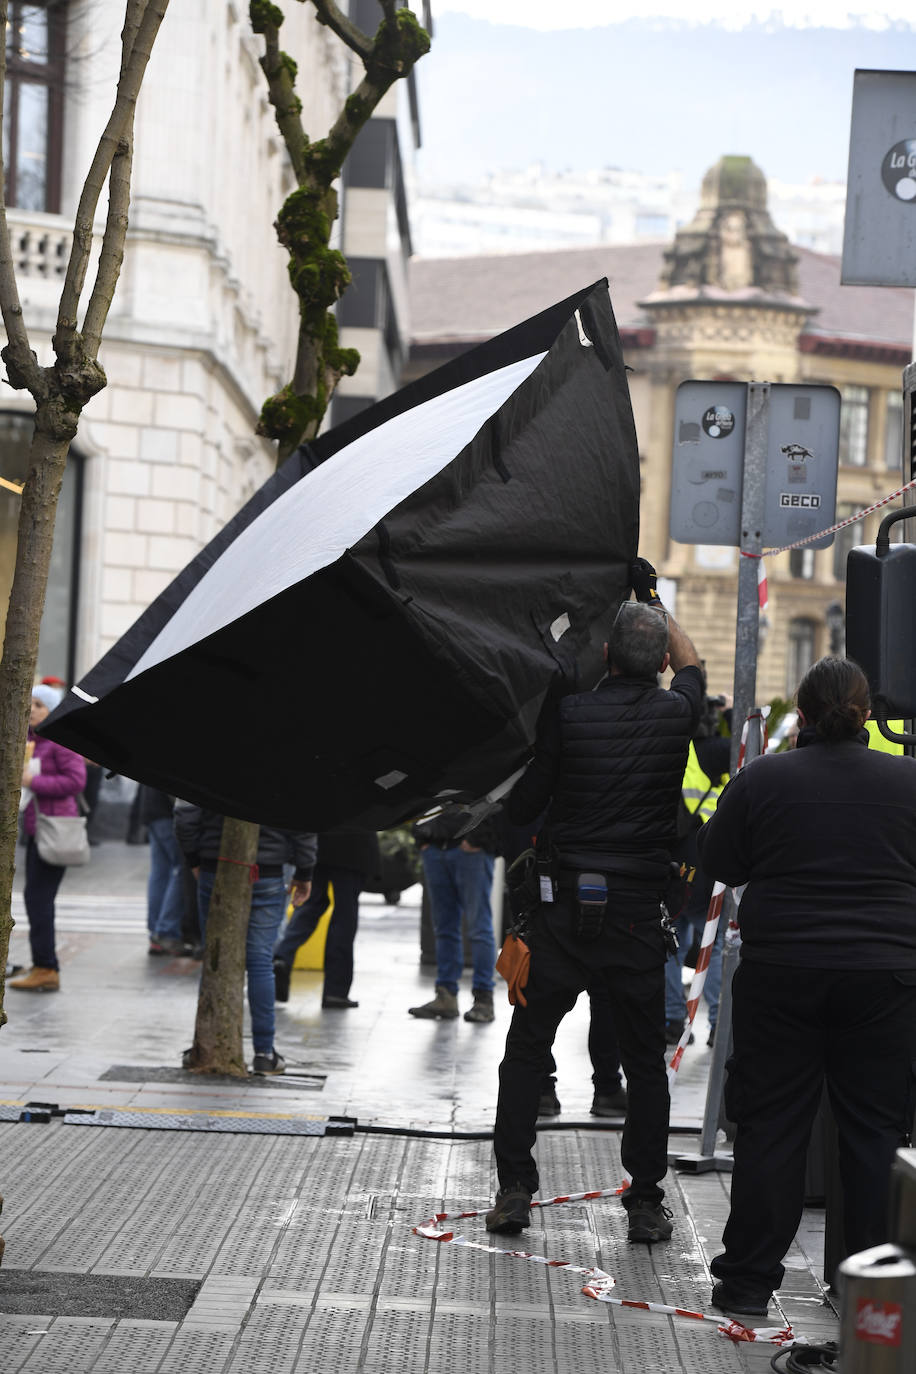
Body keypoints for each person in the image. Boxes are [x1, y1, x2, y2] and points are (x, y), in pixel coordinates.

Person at [486, 562, 703, 1243]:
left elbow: (525, 804)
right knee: (644, 1065)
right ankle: (644, 1202)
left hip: (560, 917)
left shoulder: (571, 714)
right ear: (661, 661)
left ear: (607, 655)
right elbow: (691, 659)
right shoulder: (679, 716)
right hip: (637, 921)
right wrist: (651, 599)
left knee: (526, 1053)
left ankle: (515, 1191)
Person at [696, 656, 916, 1319]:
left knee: (773, 1125)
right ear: (866, 715)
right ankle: (868, 1292)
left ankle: (748, 1284)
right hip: (886, 977)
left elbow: (719, 861)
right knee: (874, 1131)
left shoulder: (764, 778)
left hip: (783, 972)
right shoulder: (908, 781)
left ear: (802, 711)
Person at [174, 803, 317, 1074]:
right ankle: (264, 1051)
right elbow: (304, 818)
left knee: (215, 954)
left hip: (215, 863)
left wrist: (193, 857)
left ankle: (208, 1044)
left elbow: (185, 814)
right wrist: (304, 870)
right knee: (260, 960)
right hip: (269, 870)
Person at [11, 684, 87, 993]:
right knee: (36, 898)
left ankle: (46, 967)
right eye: (30, 703)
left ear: (52, 710)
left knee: (38, 899)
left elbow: (75, 781)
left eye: (39, 705)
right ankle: (43, 962)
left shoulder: (60, 742)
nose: (31, 709)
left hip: (55, 828)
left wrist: (34, 780)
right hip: (35, 828)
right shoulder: (32, 741)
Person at [665, 695, 731, 1047]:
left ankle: (673, 1020)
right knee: (716, 945)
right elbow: (752, 747)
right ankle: (719, 1022)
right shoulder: (722, 749)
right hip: (712, 862)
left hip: (679, 862)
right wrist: (732, 713)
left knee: (672, 946)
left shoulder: (675, 751)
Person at [408, 808, 500, 1023]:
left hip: (472, 849)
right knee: (444, 927)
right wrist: (421, 838)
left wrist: (478, 838)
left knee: (479, 927)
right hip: (435, 846)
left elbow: (498, 797)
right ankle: (446, 996)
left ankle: (483, 1000)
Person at [273, 826, 379, 1008]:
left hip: (321, 841)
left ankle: (282, 956)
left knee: (310, 906)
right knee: (344, 917)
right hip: (354, 843)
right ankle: (335, 991)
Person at [138, 786, 186, 956]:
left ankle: (156, 932)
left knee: (160, 873)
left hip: (153, 810)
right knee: (181, 870)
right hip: (168, 812)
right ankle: (166, 931)